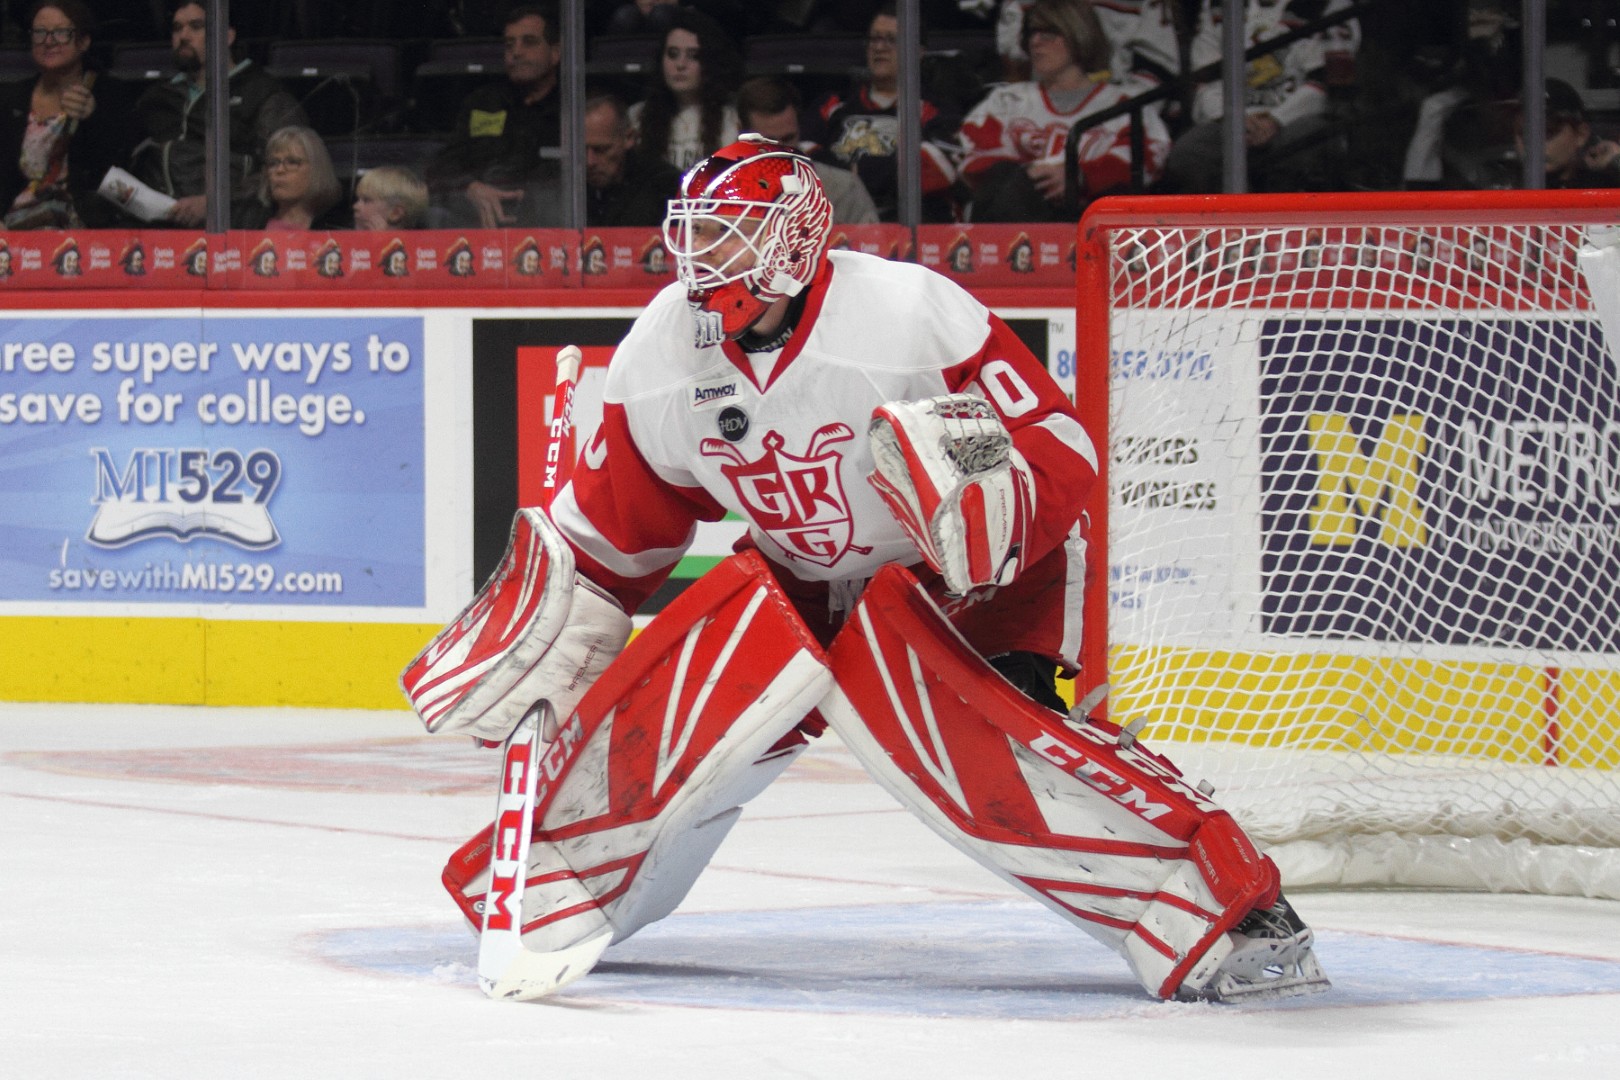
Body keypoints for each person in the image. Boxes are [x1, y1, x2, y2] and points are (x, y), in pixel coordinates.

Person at [402, 136, 1330, 1005]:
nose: (708, 258)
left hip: (974, 577)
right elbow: (615, 536)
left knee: (1000, 751)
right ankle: (551, 885)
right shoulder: (660, 354)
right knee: (684, 694)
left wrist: (990, 514)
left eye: (732, 235)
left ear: (794, 238)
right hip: (801, 574)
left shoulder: (908, 315)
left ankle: (1230, 915)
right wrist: (562, 620)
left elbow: (1056, 446)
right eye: (699, 236)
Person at [957, 0, 1170, 220]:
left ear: (1078, 35)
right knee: (1006, 181)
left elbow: (1148, 158)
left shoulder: (1123, 104)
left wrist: (1081, 177)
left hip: (1090, 221)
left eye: (1048, 34)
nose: (1035, 42)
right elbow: (975, 161)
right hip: (1018, 222)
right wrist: (1035, 178)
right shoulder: (1007, 100)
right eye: (1031, 34)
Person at [131, 0, 307, 227]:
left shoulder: (264, 93)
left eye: (196, 26)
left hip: (236, 228)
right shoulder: (156, 98)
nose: (183, 36)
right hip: (158, 232)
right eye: (177, 28)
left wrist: (214, 203)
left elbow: (286, 170)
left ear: (227, 37)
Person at [1159, 0, 1360, 194]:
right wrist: (1235, 118)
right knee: (1190, 151)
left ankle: (1287, 223)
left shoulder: (1328, 3)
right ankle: (1233, 223)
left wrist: (1275, 120)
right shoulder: (1218, 5)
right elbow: (1205, 81)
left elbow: (1326, 86)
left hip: (1299, 116)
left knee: (1304, 140)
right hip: (1236, 117)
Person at [809, 4, 961, 223]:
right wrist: (885, 169)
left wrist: (850, 172)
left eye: (891, 39)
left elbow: (936, 170)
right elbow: (805, 162)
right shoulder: (833, 104)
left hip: (908, 221)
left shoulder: (936, 109)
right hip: (840, 217)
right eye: (874, 39)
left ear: (918, 52)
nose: (879, 47)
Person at [0, 0, 138, 229]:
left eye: (61, 33)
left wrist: (93, 119)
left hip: (84, 228)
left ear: (84, 41)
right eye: (40, 32)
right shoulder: (10, 97)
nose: (49, 41)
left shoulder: (110, 95)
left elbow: (119, 178)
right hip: (13, 228)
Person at [425, 3, 562, 228]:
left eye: (529, 42)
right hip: (480, 222)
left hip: (548, 223)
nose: (516, 52)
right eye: (509, 45)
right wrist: (470, 187)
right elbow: (442, 164)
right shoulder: (483, 103)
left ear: (555, 52)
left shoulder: (572, 106)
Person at [735, 76, 879, 225]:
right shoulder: (713, 192)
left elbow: (874, 246)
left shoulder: (843, 190)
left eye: (788, 139)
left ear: (799, 128)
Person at [628, 8, 742, 172]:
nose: (680, 65)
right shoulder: (637, 117)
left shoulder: (732, 120)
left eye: (693, 55)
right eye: (672, 54)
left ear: (710, 62)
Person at [583, 93, 681, 228]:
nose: (590, 161)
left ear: (629, 138)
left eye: (602, 150)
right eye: (581, 151)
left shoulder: (665, 188)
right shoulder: (568, 187)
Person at [234, 125, 346, 230]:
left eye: (292, 162)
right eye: (273, 163)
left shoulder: (336, 227)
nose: (280, 170)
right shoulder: (248, 222)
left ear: (316, 168)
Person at [1525, 78, 1620, 189]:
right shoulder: (1506, 184)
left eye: (1549, 132)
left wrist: (1616, 162)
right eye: (1524, 134)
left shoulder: (1602, 187)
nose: (1534, 145)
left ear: (1581, 134)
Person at [352, 164, 429, 230]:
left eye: (366, 200)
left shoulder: (418, 246)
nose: (355, 206)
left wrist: (381, 241)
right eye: (358, 199)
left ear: (395, 213)